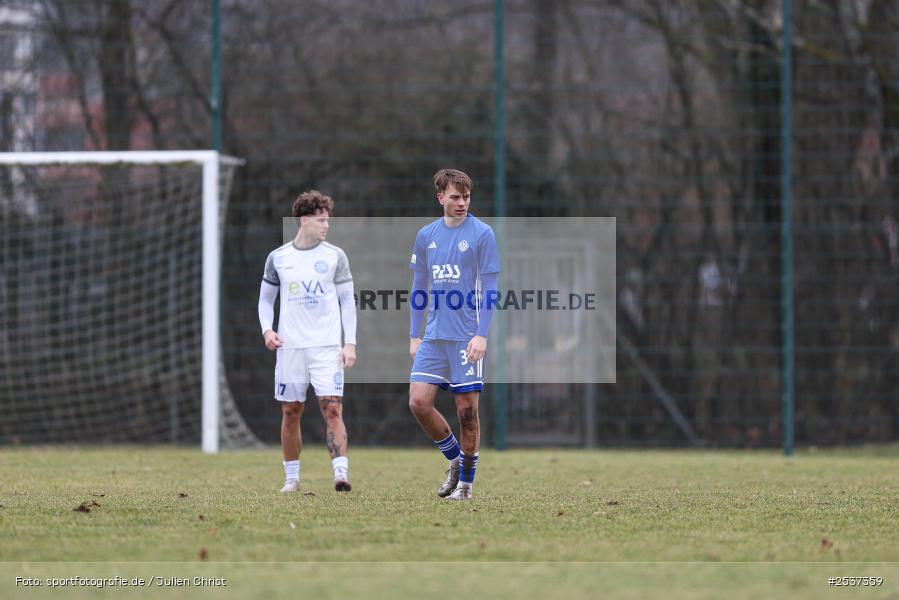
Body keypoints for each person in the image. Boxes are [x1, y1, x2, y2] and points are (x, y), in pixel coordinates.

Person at [408, 169, 500, 500]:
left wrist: (481, 335)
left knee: (466, 412)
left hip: (466, 337)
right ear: (441, 198)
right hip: (434, 337)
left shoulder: (482, 234)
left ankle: (466, 486)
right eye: (455, 197)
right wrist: (414, 335)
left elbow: (490, 288)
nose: (462, 203)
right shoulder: (426, 235)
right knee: (418, 402)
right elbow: (419, 287)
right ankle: (455, 460)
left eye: (467, 197)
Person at [258, 190, 357, 493]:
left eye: (328, 220)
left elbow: (347, 302)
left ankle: (341, 474)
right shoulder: (279, 258)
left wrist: (349, 342)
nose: (326, 226)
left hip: (326, 348)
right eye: (321, 220)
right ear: (304, 220)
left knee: (333, 409)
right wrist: (267, 330)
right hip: (291, 349)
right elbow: (265, 300)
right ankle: (291, 479)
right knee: (291, 411)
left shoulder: (335, 256)